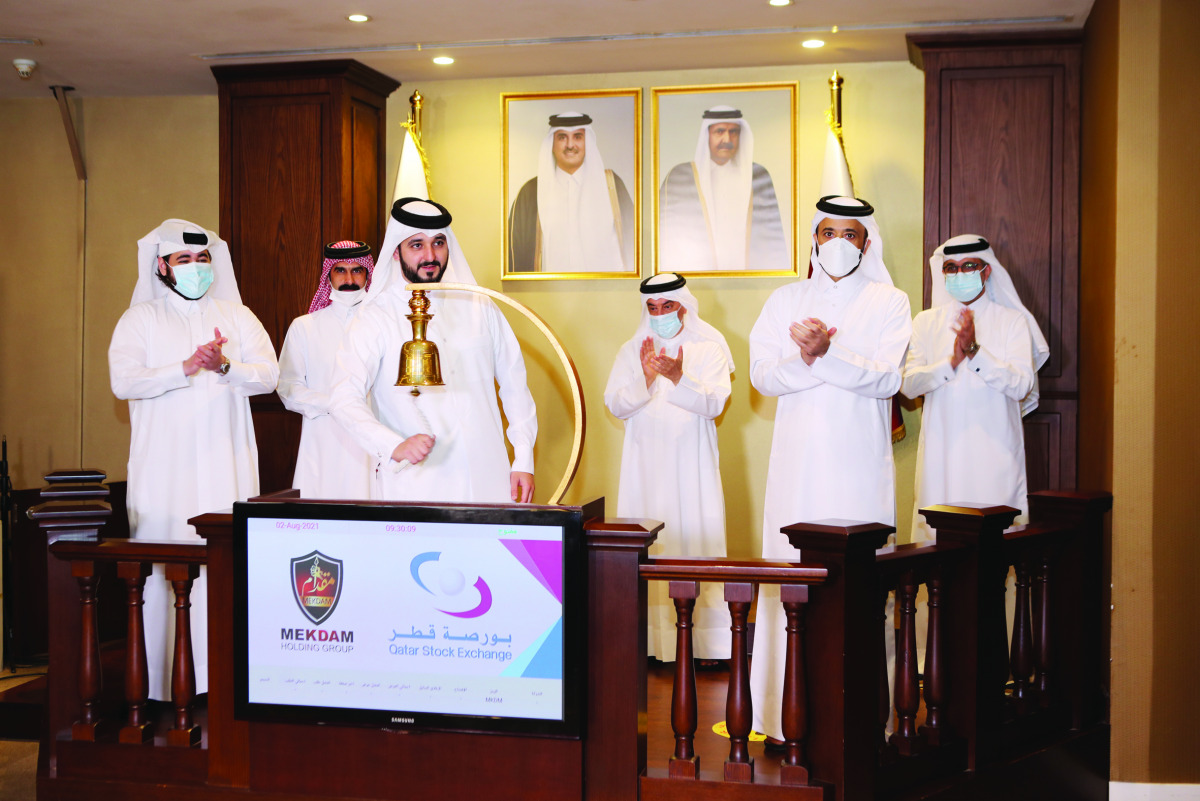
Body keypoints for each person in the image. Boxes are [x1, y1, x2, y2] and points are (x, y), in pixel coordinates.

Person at [746, 196, 912, 742]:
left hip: (859, 471)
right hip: (796, 471)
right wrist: (818, 361)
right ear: (813, 239)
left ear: (867, 242)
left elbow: (888, 380)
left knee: (859, 588)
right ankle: (778, 718)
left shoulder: (890, 302)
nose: (838, 243)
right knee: (791, 585)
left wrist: (824, 357)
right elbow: (764, 378)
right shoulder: (784, 299)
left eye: (850, 233)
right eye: (827, 232)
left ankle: (864, 723)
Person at [108, 218, 279, 700]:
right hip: (164, 471)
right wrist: (185, 367)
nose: (196, 268)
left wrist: (224, 365)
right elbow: (124, 382)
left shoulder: (237, 315)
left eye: (203, 259)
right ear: (162, 266)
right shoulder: (139, 320)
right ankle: (163, 685)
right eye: (185, 260)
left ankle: (225, 680)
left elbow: (269, 376)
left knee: (225, 565)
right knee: (166, 567)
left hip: (226, 463)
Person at [332, 198, 537, 503]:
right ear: (397, 251)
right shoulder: (374, 318)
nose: (430, 255)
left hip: (488, 477)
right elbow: (343, 399)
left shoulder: (479, 306)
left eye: (438, 242)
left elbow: (514, 383)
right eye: (416, 245)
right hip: (418, 484)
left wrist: (523, 458)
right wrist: (392, 445)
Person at [604, 273, 735, 662]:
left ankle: (706, 646)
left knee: (695, 538)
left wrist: (679, 377)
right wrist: (645, 376)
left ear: (684, 306)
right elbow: (615, 404)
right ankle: (649, 644)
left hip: (690, 464)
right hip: (644, 463)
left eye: (668, 306)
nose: (660, 314)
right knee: (649, 544)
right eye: (653, 308)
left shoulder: (709, 347)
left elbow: (714, 405)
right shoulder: (633, 349)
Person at [902, 235, 1049, 541]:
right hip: (942, 456)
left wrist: (975, 352)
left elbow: (1021, 385)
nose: (959, 274)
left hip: (994, 454)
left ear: (986, 271)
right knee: (938, 542)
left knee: (998, 544)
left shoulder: (1012, 322)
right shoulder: (926, 322)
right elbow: (908, 385)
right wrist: (950, 362)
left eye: (968, 266)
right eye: (951, 268)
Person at [277, 240, 376, 499]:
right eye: (340, 270)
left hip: (375, 436)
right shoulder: (304, 327)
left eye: (357, 270)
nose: (349, 278)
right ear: (328, 275)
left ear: (368, 273)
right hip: (323, 439)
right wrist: (336, 404)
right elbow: (288, 388)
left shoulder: (383, 323)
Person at [659, 106, 788, 272]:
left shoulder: (757, 175)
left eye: (733, 132)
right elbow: (666, 238)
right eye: (719, 131)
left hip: (750, 280)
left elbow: (772, 237)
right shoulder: (680, 176)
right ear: (707, 135)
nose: (727, 138)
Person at [508, 111, 636, 273]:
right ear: (552, 144)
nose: (570, 145)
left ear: (587, 142)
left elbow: (634, 242)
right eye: (562, 137)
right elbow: (515, 254)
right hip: (547, 295)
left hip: (607, 291)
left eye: (577, 137)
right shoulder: (531, 192)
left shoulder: (611, 185)